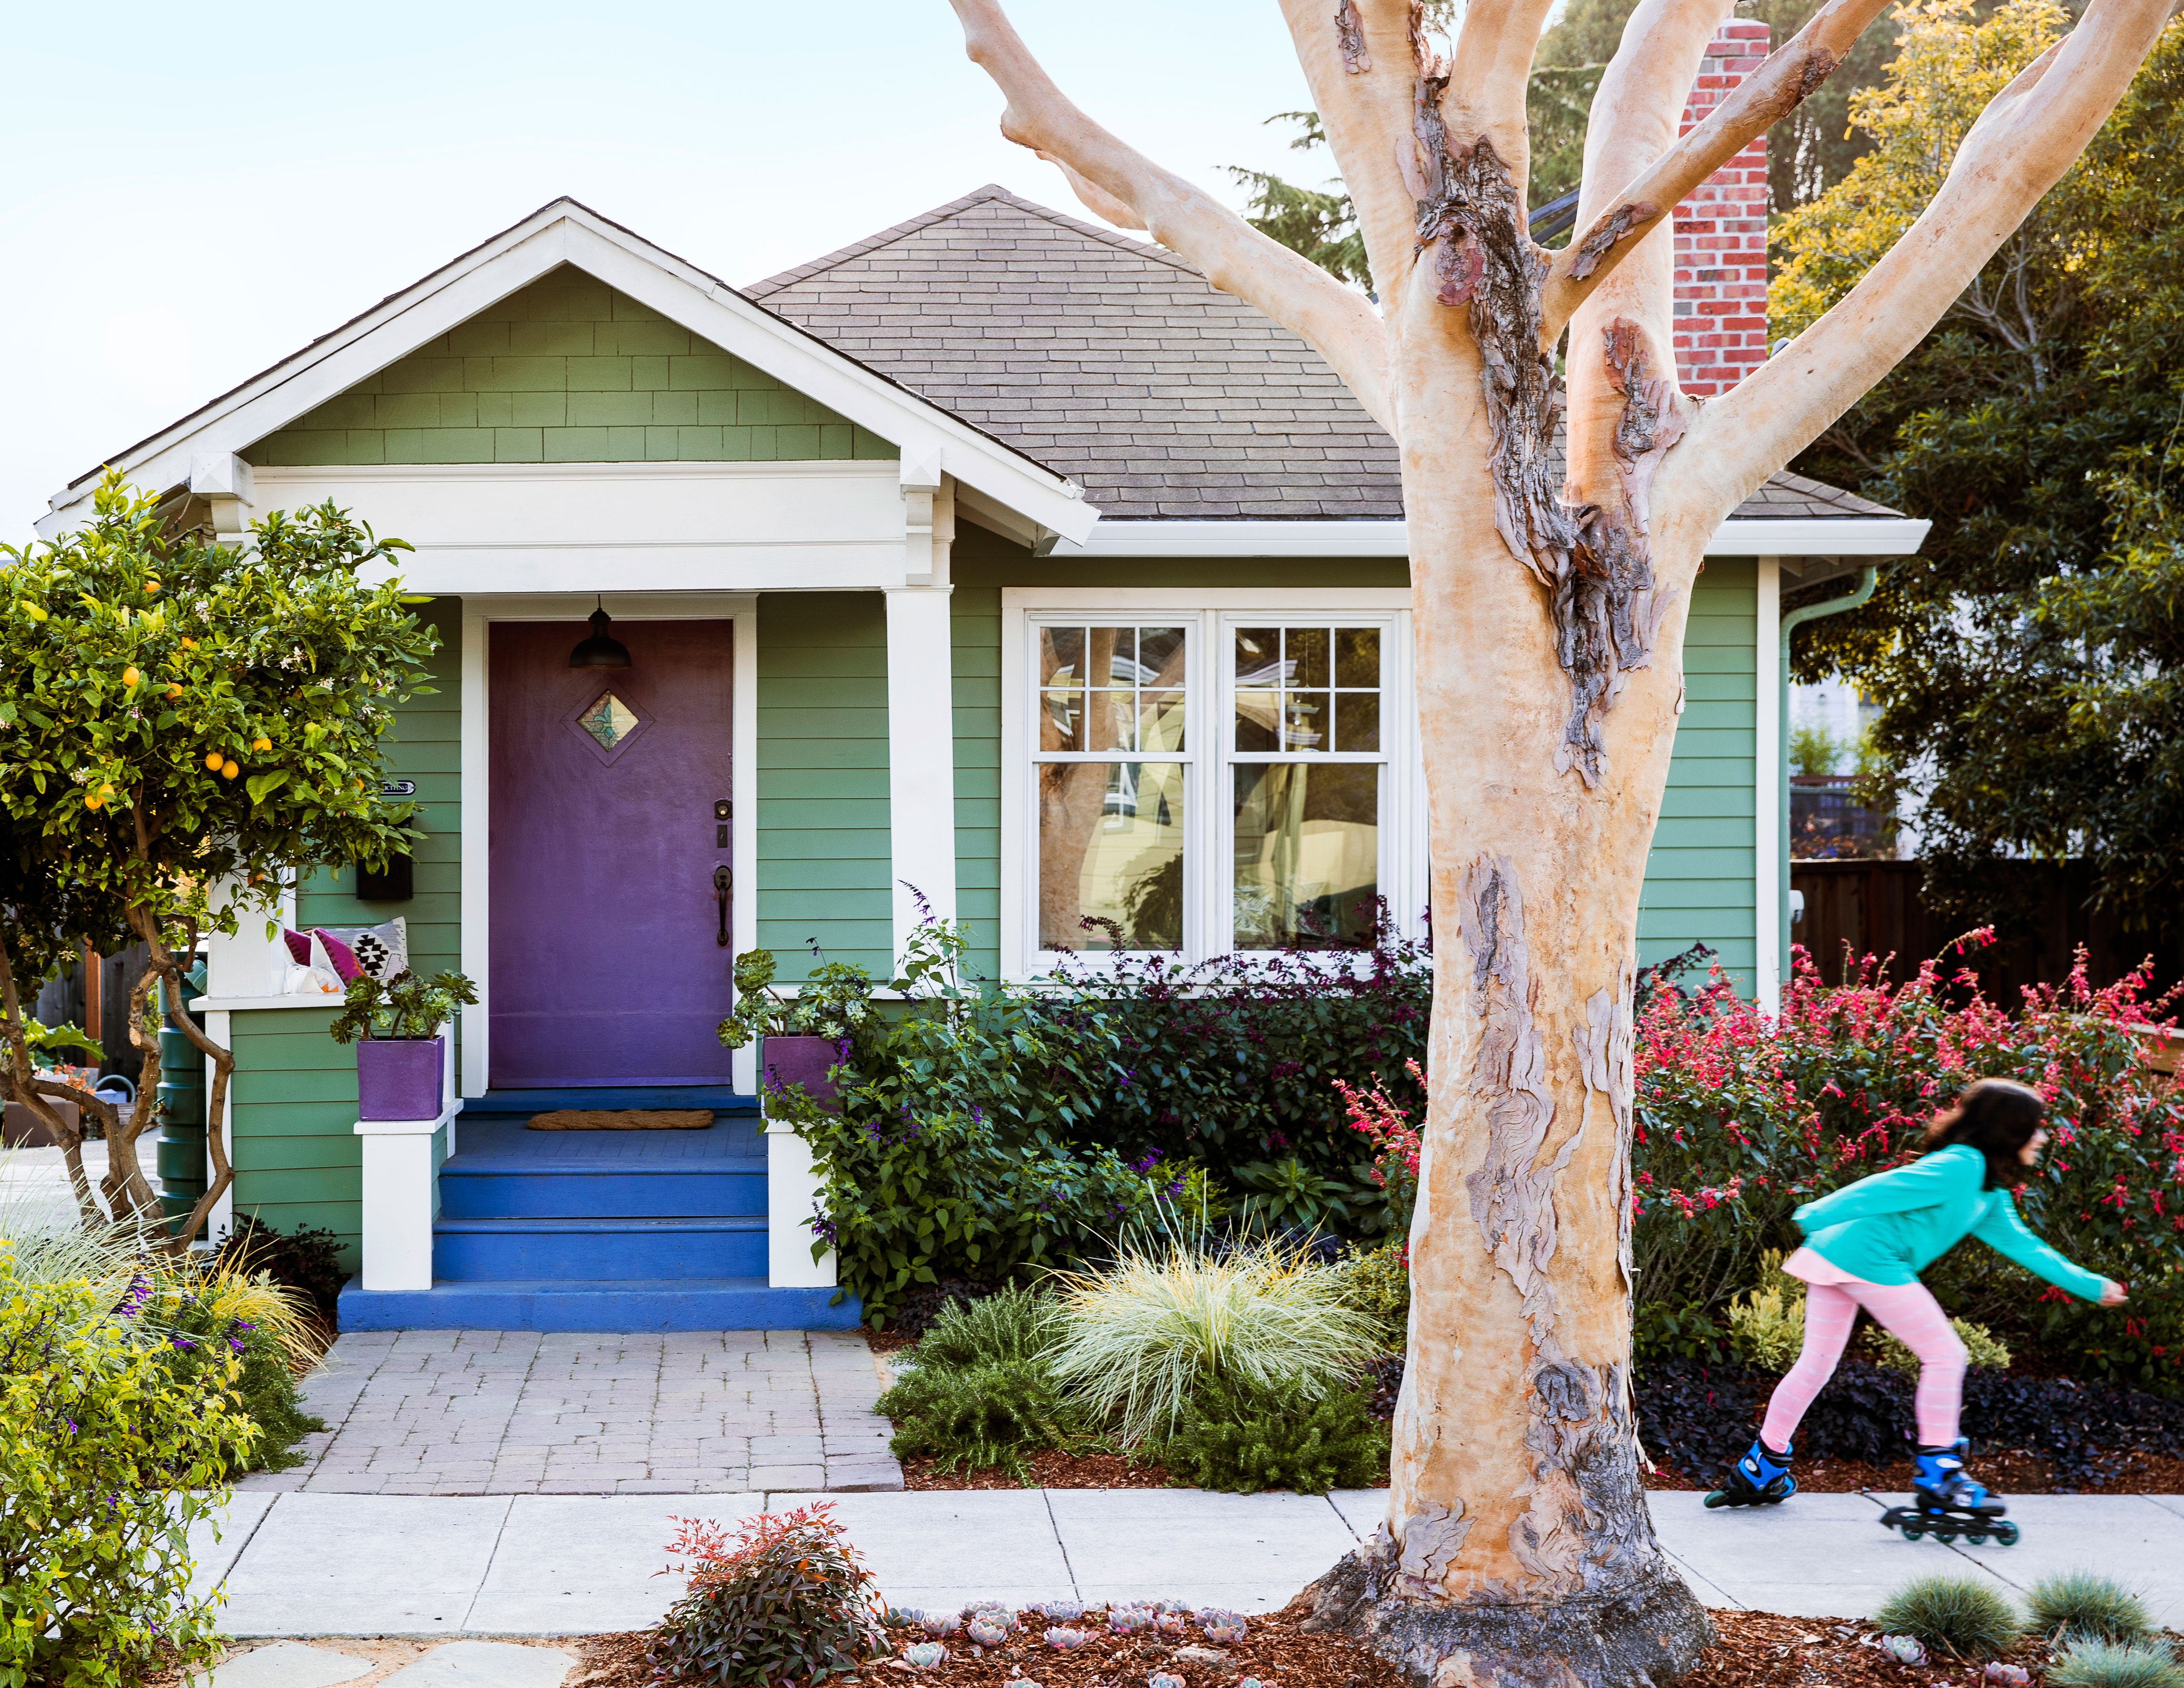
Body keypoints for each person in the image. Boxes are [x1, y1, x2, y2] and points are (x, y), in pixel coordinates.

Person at [1721, 1077, 2127, 1516]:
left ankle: (1761, 1466)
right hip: (1870, 1257)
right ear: (2010, 1131)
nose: (2043, 1137)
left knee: (1816, 1364)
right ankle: (1940, 1474)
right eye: (2037, 1127)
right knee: (1946, 1355)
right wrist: (1816, 1211)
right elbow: (1883, 1187)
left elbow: (2028, 1248)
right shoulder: (1962, 1165)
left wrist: (2091, 1285)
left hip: (1839, 1251)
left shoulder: (1987, 1192)